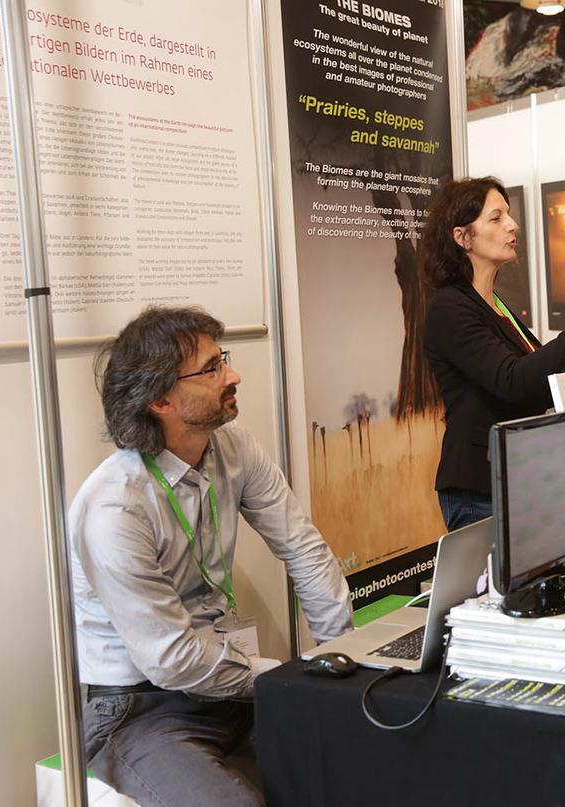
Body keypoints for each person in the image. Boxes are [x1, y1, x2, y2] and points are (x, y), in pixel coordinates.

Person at [69, 306, 353, 807]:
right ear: (161, 400)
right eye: (211, 369)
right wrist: (284, 679)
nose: (233, 376)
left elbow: (303, 549)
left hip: (227, 683)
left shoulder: (233, 447)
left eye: (222, 360)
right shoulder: (115, 509)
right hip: (140, 708)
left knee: (361, 763)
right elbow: (172, 660)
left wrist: (345, 664)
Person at [422, 176, 565, 531]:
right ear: (462, 237)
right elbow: (512, 380)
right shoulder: (449, 308)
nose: (512, 225)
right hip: (481, 489)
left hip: (521, 479)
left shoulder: (495, 304)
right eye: (496, 218)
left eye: (509, 215)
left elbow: (535, 375)